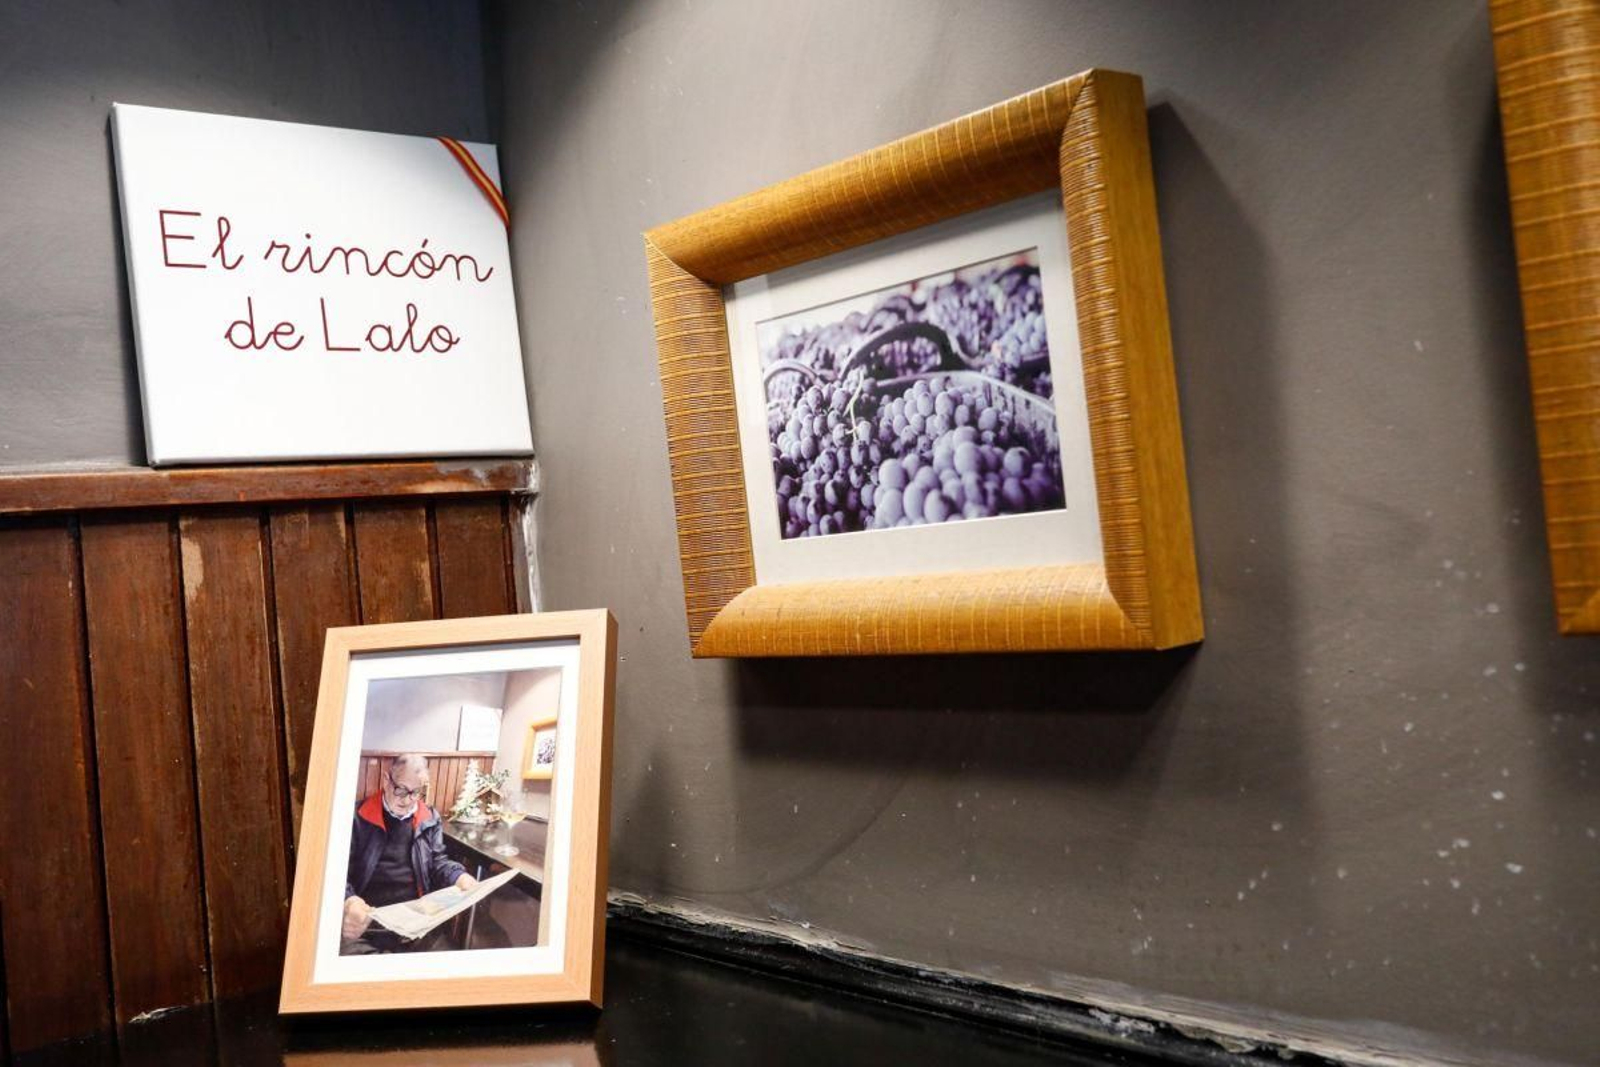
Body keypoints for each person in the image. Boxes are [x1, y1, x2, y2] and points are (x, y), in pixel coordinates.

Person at [342, 753, 478, 954]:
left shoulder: (429, 817)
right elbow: (337, 874)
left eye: (416, 792)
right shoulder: (355, 817)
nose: (407, 800)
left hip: (415, 924)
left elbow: (438, 861)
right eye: (401, 790)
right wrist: (350, 900)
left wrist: (459, 876)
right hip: (368, 925)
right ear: (387, 780)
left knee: (448, 967)